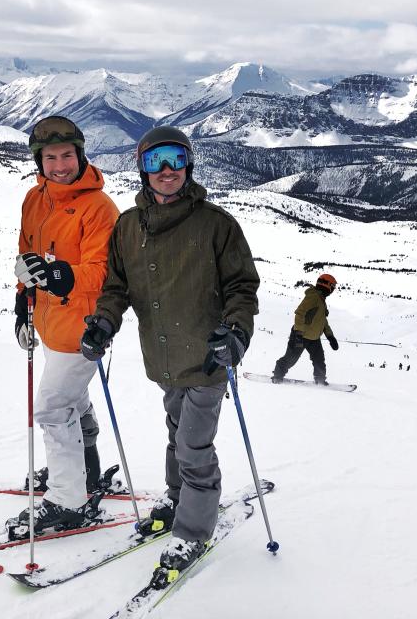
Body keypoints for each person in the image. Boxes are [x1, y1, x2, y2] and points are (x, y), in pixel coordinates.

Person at [79, 126, 260, 576]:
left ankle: (193, 532)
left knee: (194, 445)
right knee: (177, 429)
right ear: (141, 167)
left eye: (175, 159)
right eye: (156, 160)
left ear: (189, 165)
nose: (166, 171)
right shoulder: (127, 226)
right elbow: (117, 287)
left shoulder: (216, 225)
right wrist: (105, 320)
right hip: (162, 357)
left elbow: (242, 286)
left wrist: (235, 332)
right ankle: (177, 499)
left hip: (207, 356)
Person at [10, 115, 120, 534]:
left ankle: (69, 500)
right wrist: (23, 303)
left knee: (53, 408)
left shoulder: (98, 208)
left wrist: (61, 275)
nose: (60, 165)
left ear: (81, 155)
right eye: (50, 157)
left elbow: (104, 272)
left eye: (67, 155)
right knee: (72, 401)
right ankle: (80, 473)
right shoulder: (34, 199)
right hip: (48, 321)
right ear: (40, 161)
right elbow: (26, 256)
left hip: (85, 326)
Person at [270, 273, 339, 384]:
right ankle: (278, 375)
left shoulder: (321, 300)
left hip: (314, 338)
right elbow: (300, 313)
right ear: (326, 285)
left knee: (319, 360)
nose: (333, 290)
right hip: (301, 335)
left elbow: (323, 321)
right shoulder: (313, 297)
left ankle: (320, 379)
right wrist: (298, 332)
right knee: (291, 358)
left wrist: (330, 336)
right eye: (332, 286)